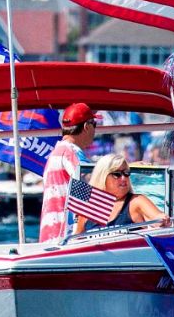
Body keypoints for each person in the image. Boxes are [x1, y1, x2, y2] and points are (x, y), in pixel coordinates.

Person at [40, 102, 98, 243]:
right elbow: (92, 186)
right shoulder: (71, 152)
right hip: (65, 237)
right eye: (94, 124)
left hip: (50, 236)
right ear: (86, 127)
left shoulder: (57, 152)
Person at [75, 154, 166, 234]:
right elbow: (76, 241)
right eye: (117, 174)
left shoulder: (136, 202)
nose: (123, 178)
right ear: (102, 176)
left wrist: (161, 220)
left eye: (126, 173)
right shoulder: (87, 209)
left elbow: (157, 217)